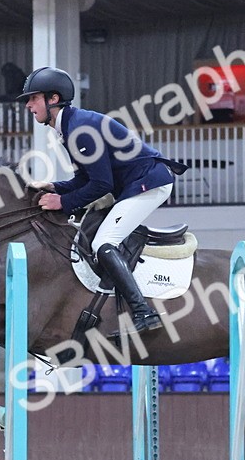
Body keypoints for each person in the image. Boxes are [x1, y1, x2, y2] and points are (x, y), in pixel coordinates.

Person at [18, 66, 182, 333]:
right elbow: (87, 179)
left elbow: (101, 184)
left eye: (33, 98)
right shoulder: (71, 125)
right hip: (136, 183)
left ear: (53, 99)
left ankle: (143, 313)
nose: (28, 105)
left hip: (149, 183)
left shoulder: (79, 129)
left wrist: (63, 202)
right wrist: (53, 186)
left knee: (104, 241)